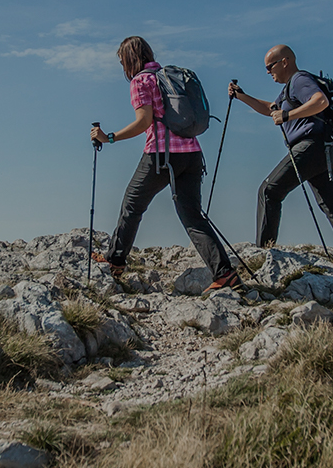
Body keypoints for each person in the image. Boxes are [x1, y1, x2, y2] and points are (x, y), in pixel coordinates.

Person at [90, 36, 241, 290]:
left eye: (122, 61)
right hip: (192, 154)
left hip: (161, 156)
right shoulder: (169, 77)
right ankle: (225, 274)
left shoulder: (141, 81)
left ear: (129, 60)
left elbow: (143, 121)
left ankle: (115, 261)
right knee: (192, 216)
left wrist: (110, 137)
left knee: (132, 204)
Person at [226, 44, 333, 254]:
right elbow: (271, 109)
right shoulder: (289, 89)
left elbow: (320, 101)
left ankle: (265, 252)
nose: (268, 72)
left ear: (285, 62)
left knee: (269, 191)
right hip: (324, 150)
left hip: (310, 148)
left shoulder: (299, 80)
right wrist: (242, 96)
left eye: (270, 66)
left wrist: (287, 116)